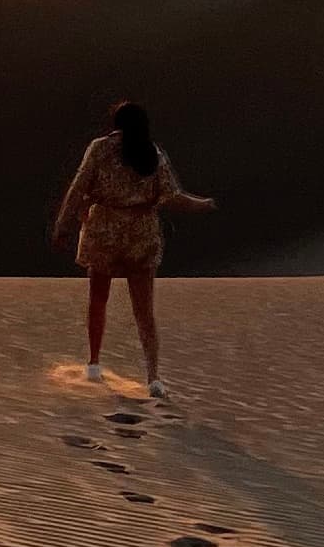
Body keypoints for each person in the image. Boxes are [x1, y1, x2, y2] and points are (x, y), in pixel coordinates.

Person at [51, 97, 214, 396]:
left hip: (105, 232)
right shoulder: (152, 153)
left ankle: (94, 364)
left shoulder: (100, 148)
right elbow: (172, 195)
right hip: (141, 235)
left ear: (116, 123)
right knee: (144, 311)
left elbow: (79, 186)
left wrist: (63, 224)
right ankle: (153, 376)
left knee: (98, 300)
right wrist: (202, 203)